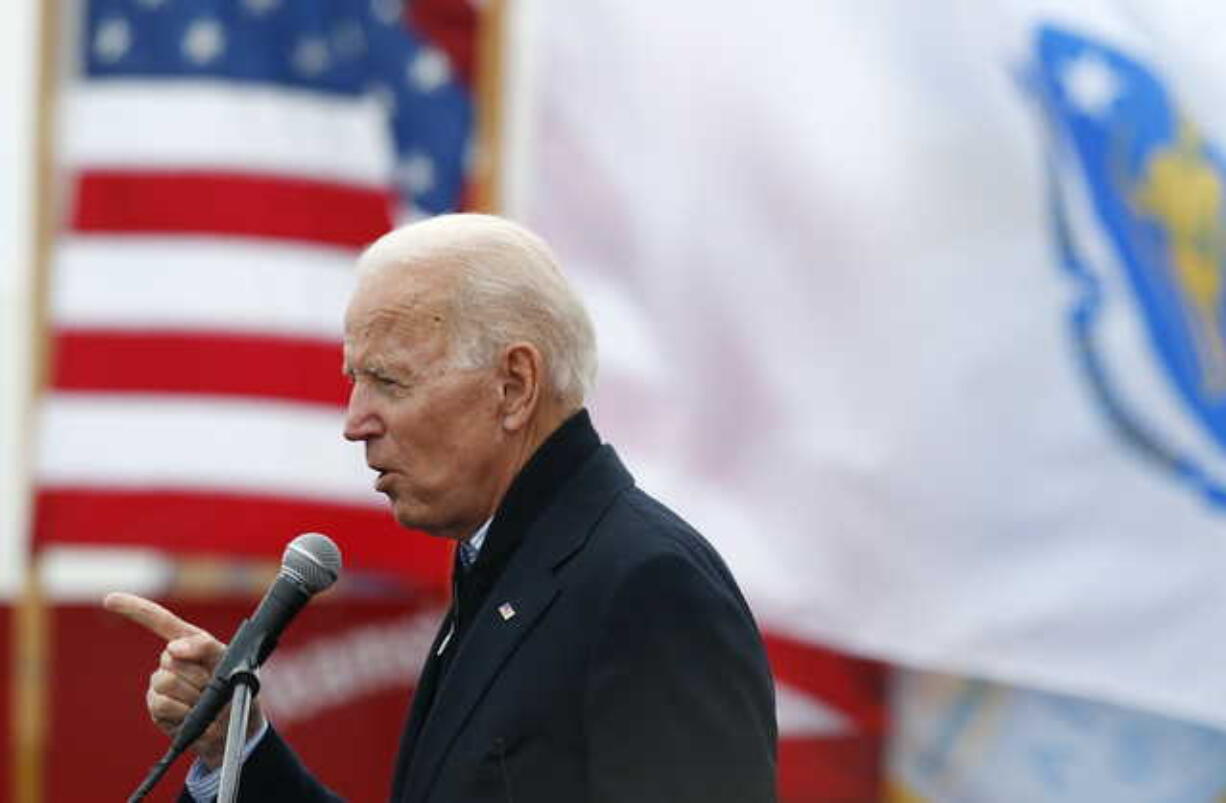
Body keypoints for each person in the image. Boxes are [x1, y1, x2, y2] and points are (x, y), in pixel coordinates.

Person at [106, 213, 778, 802]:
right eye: (355, 380)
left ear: (513, 386)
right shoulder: (508, 561)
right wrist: (237, 749)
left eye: (388, 380)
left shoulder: (647, 586)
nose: (355, 421)